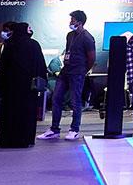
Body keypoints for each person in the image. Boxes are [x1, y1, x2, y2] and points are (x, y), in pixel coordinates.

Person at [40, 9, 95, 141]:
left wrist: (83, 71)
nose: (70, 22)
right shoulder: (70, 35)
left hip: (77, 73)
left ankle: (74, 130)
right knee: (56, 98)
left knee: (75, 102)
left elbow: (91, 58)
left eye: (72, 20)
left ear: (80, 23)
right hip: (65, 72)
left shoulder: (88, 38)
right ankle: (54, 129)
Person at [0, 21, 47, 148]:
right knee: (26, 114)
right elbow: (40, 66)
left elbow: (2, 67)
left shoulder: (9, 44)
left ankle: (6, 140)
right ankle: (26, 139)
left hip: (10, 88)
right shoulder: (33, 45)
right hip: (28, 88)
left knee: (9, 113)